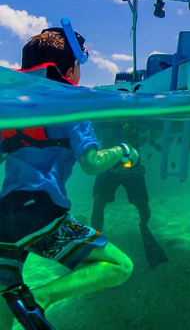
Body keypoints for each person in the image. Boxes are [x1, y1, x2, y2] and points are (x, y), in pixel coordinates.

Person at [0, 26, 137, 330]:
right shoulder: (73, 104)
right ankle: (41, 298)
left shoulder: (13, 106)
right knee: (119, 266)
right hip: (40, 211)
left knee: (5, 294)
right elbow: (92, 163)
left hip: (4, 213)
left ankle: (21, 302)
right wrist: (124, 150)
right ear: (72, 68)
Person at [91, 125, 168, 269]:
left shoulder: (130, 117)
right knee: (99, 202)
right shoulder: (108, 116)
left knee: (142, 206)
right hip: (110, 167)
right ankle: (95, 241)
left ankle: (144, 228)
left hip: (130, 168)